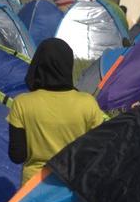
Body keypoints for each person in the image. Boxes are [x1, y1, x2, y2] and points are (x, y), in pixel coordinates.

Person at [7, 38, 105, 180]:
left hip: (32, 187)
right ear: (68, 65)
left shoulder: (22, 103)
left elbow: (17, 156)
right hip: (72, 183)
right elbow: (99, 148)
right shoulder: (88, 103)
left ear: (37, 65)